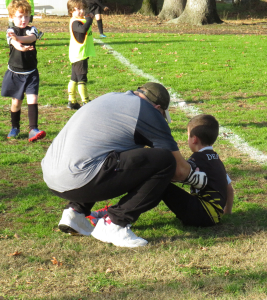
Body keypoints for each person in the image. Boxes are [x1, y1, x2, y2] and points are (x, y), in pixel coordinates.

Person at [41, 82, 208, 248]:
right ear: (158, 108)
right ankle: (115, 223)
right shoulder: (149, 112)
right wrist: (195, 176)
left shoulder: (111, 97)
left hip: (52, 176)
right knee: (164, 161)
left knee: (106, 153)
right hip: (80, 178)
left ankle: (75, 213)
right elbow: (178, 171)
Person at [161, 114, 234, 227]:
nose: (187, 139)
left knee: (161, 185)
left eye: (188, 136)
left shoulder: (197, 159)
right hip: (214, 217)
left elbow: (179, 174)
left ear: (194, 139)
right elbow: (229, 188)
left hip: (202, 214)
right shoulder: (216, 159)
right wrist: (227, 211)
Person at [2, 0, 46, 141]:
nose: (23, 20)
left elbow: (31, 38)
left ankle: (33, 129)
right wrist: (19, 46)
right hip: (16, 74)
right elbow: (14, 43)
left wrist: (20, 40)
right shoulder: (10, 31)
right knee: (16, 103)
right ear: (12, 17)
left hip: (31, 73)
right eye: (20, 16)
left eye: (26, 16)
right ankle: (15, 127)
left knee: (33, 99)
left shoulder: (32, 29)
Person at [67, 0, 96, 110]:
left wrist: (87, 18)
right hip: (79, 55)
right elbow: (83, 29)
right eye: (78, 9)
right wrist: (89, 19)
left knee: (74, 78)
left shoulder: (80, 20)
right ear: (71, 11)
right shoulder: (75, 22)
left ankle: (72, 101)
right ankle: (85, 101)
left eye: (83, 9)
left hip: (78, 54)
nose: (81, 11)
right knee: (81, 79)